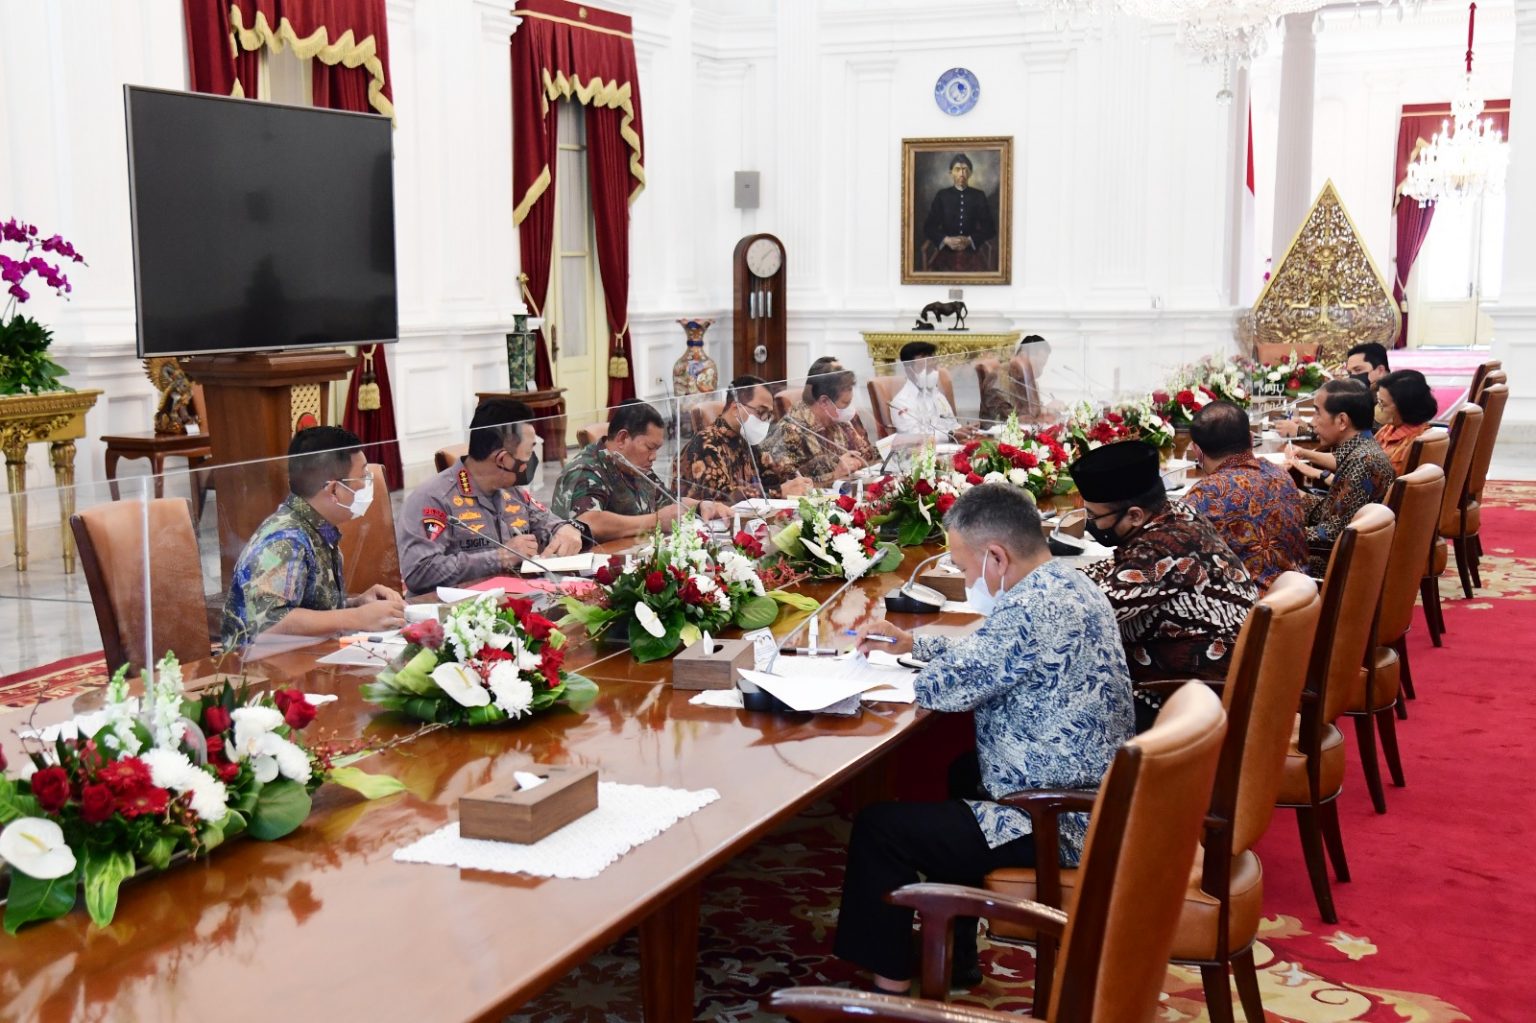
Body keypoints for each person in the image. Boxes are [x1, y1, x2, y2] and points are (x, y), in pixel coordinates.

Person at [837, 483, 1133, 992]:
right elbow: (987, 654)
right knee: (962, 771)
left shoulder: (1028, 611)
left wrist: (864, 679)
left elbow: (944, 689)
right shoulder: (1064, 583)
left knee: (880, 828)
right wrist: (914, 642)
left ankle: (888, 983)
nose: (965, 577)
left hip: (1057, 818)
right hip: (1093, 794)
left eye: (964, 566)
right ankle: (956, 953)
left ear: (996, 556)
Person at [1072, 441, 1257, 729]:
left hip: (1195, 692)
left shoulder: (1160, 549)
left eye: (1095, 517)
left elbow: (1086, 612)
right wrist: (1068, 577)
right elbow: (1114, 567)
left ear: (1134, 515)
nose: (1091, 525)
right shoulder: (1176, 513)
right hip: (1213, 672)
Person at [221, 426, 405, 648]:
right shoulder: (285, 540)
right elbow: (268, 622)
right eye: (362, 476)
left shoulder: (317, 526)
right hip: (259, 670)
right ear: (334, 491)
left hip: (303, 657)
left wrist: (356, 605)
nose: (368, 483)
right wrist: (357, 618)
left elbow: (306, 607)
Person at [397, 399, 591, 594]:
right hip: (461, 612)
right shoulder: (434, 499)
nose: (531, 461)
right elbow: (419, 572)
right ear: (502, 459)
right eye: (529, 451)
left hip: (518, 597)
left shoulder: (511, 491)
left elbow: (546, 521)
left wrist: (565, 530)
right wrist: (500, 557)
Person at [551, 399, 729, 541]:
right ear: (622, 438)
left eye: (657, 449)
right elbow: (588, 522)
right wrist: (654, 521)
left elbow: (668, 503)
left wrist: (700, 506)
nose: (654, 457)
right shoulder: (584, 469)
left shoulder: (635, 466)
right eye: (649, 447)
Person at [1184, 401, 1308, 591]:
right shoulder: (1279, 473)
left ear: (1197, 452)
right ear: (1251, 439)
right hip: (1300, 598)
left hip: (1252, 613)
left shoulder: (1201, 497)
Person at [1284, 379, 1396, 575]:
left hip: (1341, 568)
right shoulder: (1362, 451)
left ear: (1342, 421)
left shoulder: (1363, 462)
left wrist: (1278, 533)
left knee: (1258, 558)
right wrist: (1293, 496)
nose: (1312, 421)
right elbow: (1336, 513)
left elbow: (1333, 534)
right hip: (1346, 557)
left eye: (1318, 412)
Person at [675, 375, 815, 504]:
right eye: (761, 412)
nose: (764, 421)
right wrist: (780, 491)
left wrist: (794, 481)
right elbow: (720, 498)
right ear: (736, 408)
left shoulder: (745, 441)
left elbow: (769, 477)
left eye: (768, 415)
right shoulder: (705, 444)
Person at [760, 369, 879, 487]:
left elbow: (866, 453)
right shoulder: (790, 431)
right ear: (824, 402)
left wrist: (888, 447)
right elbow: (788, 487)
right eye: (845, 403)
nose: (849, 408)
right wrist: (835, 475)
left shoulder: (839, 421)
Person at [921, 153, 996, 274]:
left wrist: (970, 240)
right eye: (957, 170)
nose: (962, 174)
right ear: (951, 172)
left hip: (972, 252)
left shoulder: (979, 196)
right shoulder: (942, 195)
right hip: (946, 251)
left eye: (965, 170)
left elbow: (990, 228)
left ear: (970, 173)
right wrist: (946, 240)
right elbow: (928, 227)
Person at [889, 340, 964, 439]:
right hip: (923, 452)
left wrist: (965, 430)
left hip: (951, 447)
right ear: (909, 369)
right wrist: (950, 435)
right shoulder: (901, 402)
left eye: (933, 368)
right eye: (927, 369)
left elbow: (952, 424)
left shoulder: (937, 395)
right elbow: (914, 436)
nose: (933, 372)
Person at [1372, 369, 1439, 474]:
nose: (1378, 408)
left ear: (1404, 406)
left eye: (1383, 404)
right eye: (1378, 401)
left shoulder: (1412, 445)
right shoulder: (1390, 427)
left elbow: (1384, 482)